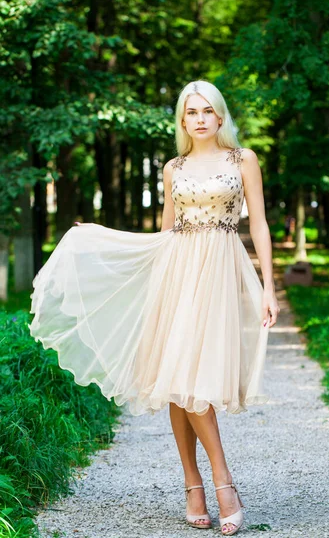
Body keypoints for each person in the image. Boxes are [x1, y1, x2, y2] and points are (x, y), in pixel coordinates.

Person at [29, 79, 280, 536]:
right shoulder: (173, 168)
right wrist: (102, 238)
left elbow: (259, 224)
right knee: (176, 380)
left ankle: (217, 482)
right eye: (191, 112)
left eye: (207, 110)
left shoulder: (243, 160)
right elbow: (166, 234)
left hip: (220, 272)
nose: (200, 118)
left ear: (220, 116)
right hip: (178, 274)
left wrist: (268, 286)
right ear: (182, 120)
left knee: (195, 381)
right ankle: (201, 483)